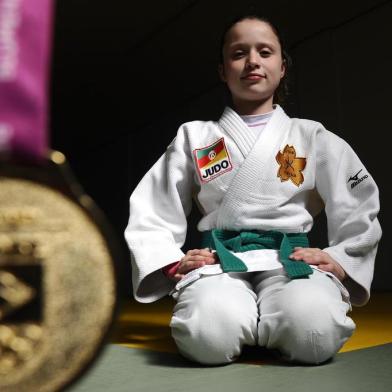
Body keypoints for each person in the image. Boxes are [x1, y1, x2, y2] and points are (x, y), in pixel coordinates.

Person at [124, 15, 382, 366]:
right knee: (207, 335)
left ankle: (273, 320)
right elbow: (152, 206)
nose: (253, 61)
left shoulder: (312, 136)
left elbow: (359, 204)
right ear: (222, 70)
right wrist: (171, 262)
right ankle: (249, 322)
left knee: (314, 334)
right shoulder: (195, 137)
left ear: (282, 66)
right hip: (221, 262)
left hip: (290, 261)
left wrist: (340, 258)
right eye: (238, 53)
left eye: (265, 51)